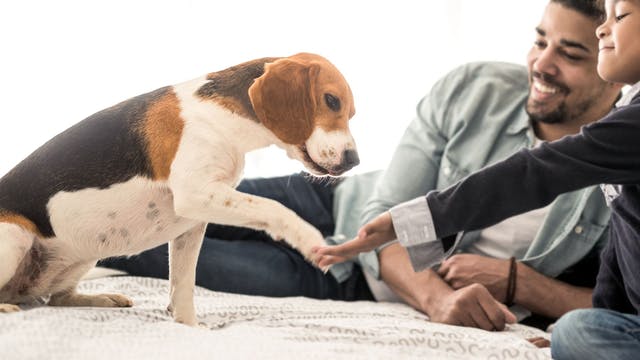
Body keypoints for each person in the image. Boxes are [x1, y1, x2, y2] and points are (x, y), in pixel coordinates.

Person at [99, 0, 620, 332]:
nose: (541, 64)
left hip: (348, 278)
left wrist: (520, 283)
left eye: (570, 54)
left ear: (614, 66)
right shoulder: (473, 89)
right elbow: (388, 209)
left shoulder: (617, 166)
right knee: (162, 203)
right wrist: (438, 300)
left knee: (138, 253)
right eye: (539, 40)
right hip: (337, 202)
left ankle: (39, 257)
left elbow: (619, 306)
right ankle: (26, 211)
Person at [315, 0, 640, 358]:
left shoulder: (626, 128)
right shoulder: (623, 116)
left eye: (620, 16)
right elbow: (618, 261)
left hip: (356, 265)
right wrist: (600, 320)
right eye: (540, 41)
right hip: (336, 204)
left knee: (575, 332)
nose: (602, 29)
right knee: (576, 332)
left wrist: (413, 221)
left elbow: (531, 174)